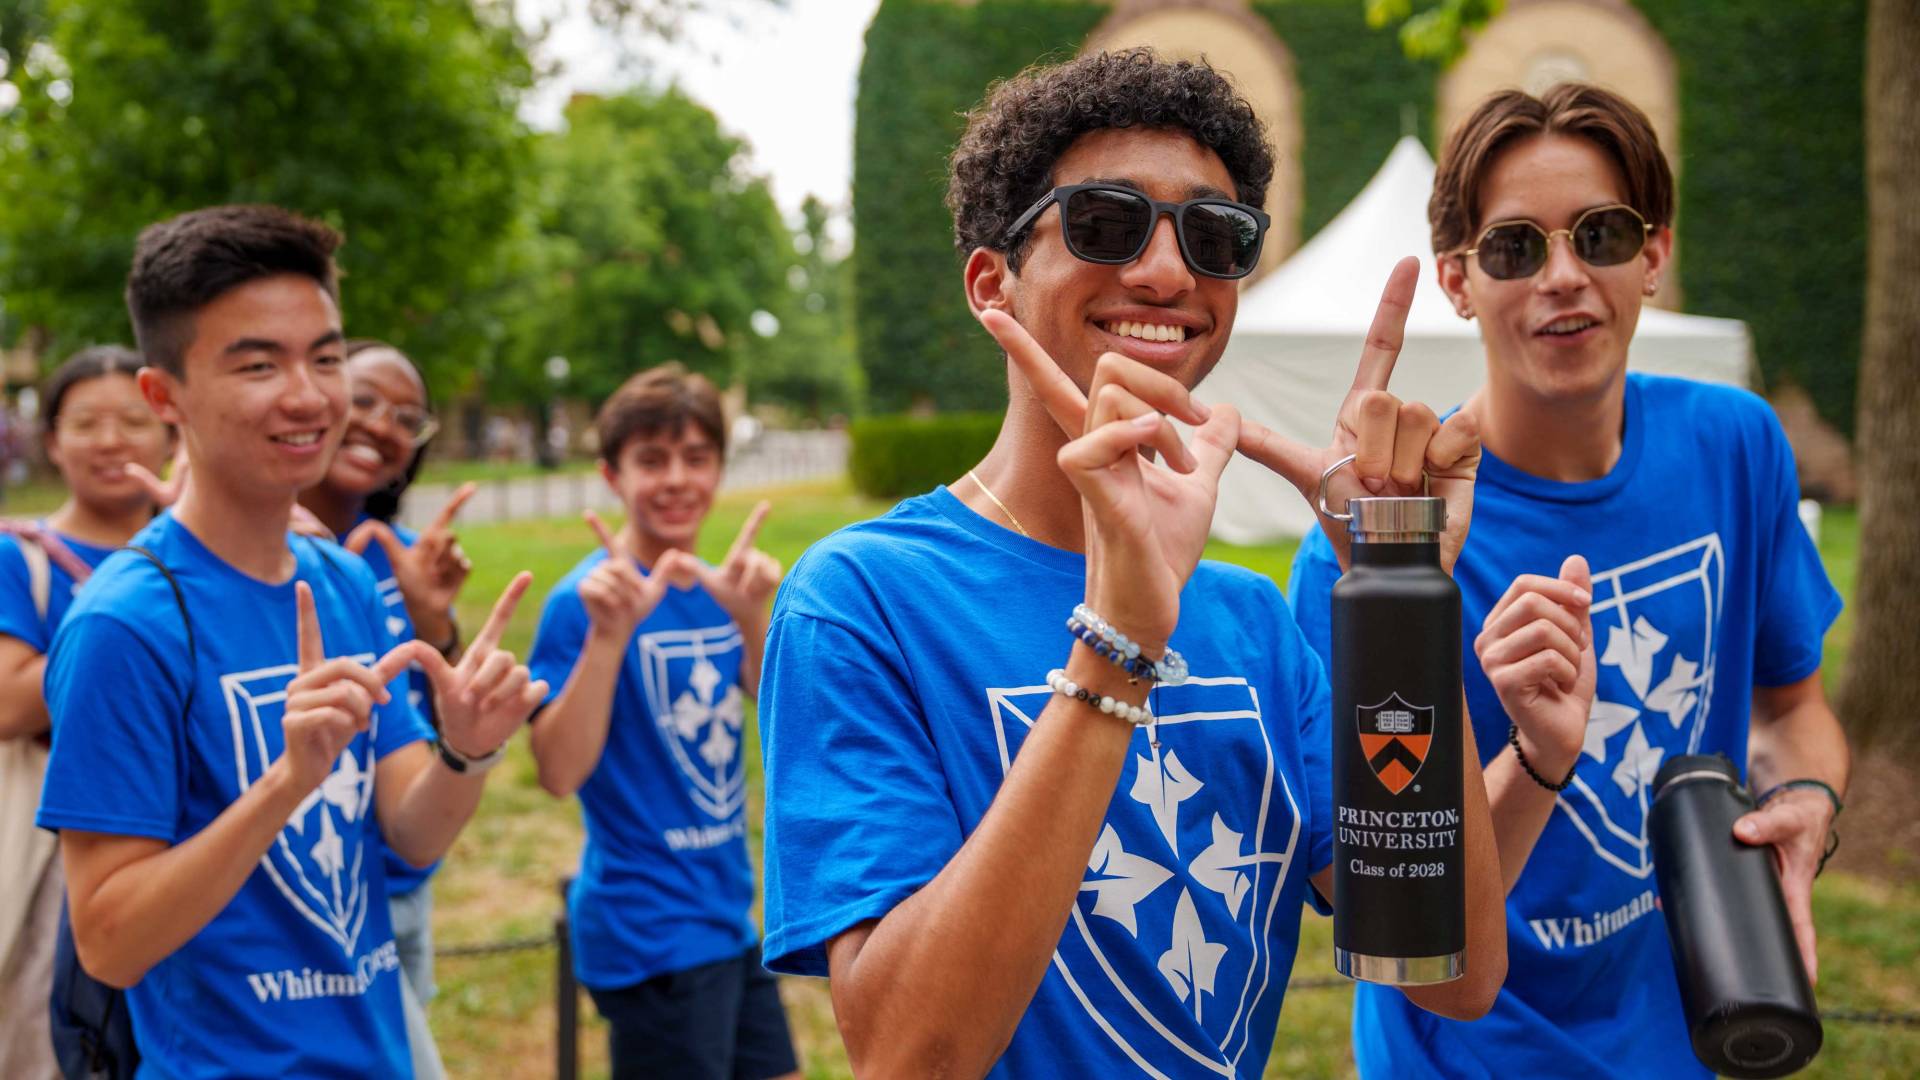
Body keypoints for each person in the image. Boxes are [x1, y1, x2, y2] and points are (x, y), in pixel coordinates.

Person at [755, 50, 1518, 1078]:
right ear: (994, 283)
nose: (1168, 273)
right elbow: (907, 1055)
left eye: (1215, 236)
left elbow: (1451, 972)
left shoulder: (1253, 621)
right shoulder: (864, 601)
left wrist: (1403, 588)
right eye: (1105, 223)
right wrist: (1119, 643)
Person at [1286, 83, 1848, 1078]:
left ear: (1654, 256)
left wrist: (1805, 796)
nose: (1562, 276)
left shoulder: (1737, 442)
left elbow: (1791, 705)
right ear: (1458, 281)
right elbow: (1399, 920)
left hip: (1693, 1033)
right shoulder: (1375, 552)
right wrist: (1537, 756)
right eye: (1514, 247)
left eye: (1601, 234)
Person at [35, 204, 549, 1078]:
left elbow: (409, 837)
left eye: (327, 356)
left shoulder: (343, 580)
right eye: (258, 364)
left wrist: (467, 751)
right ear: (166, 398)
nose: (309, 395)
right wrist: (286, 781)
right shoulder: (126, 622)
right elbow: (110, 943)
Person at [526, 364, 798, 1080]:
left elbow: (786, 719)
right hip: (648, 934)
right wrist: (608, 638)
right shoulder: (581, 603)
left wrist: (750, 617)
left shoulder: (720, 589)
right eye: (652, 460)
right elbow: (556, 772)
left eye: (696, 458)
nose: (677, 478)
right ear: (611, 475)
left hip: (730, 917)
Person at [298, 339, 475, 1080]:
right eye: (364, 399)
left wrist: (437, 624)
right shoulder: (251, 550)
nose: (379, 424)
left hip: (399, 882)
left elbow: (438, 722)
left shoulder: (411, 555)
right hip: (300, 902)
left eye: (406, 417)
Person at [0, 346, 172, 1079]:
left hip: (177, 830)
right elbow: (8, 702)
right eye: (86, 423)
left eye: (133, 420)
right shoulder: (20, 557)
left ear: (171, 430)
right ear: (52, 442)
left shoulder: (198, 552)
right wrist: (121, 618)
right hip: (58, 837)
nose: (110, 441)